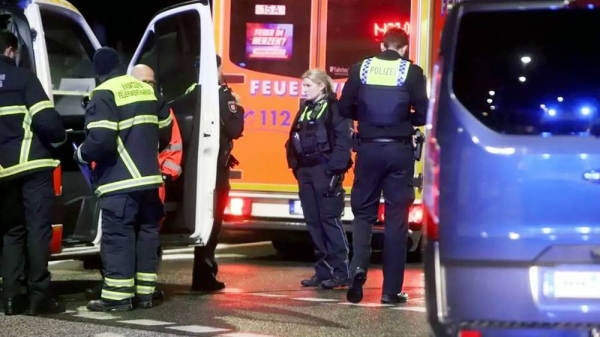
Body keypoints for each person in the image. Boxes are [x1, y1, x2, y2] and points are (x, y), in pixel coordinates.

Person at [74, 47, 172, 312]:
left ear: (98, 71)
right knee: (146, 235)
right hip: (150, 181)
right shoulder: (145, 89)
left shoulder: (104, 94)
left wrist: (80, 153)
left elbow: (101, 141)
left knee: (119, 237)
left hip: (121, 182)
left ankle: (117, 297)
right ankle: (144, 295)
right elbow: (165, 131)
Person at [339, 27, 428, 304]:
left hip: (367, 148)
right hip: (398, 151)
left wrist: (364, 117)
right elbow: (423, 112)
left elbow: (343, 108)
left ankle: (358, 269)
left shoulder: (360, 68)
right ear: (404, 48)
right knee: (396, 220)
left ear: (382, 45)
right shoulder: (411, 72)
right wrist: (406, 121)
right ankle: (391, 291)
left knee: (363, 214)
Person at [0, 30, 66, 315]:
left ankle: (11, 298)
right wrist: (62, 139)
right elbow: (46, 121)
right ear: (11, 51)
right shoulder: (23, 78)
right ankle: (39, 297)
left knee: (11, 233)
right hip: (33, 165)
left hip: (3, 172)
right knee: (37, 230)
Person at [285, 69, 353, 289]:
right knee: (313, 222)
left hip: (325, 171)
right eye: (303, 85)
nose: (303, 90)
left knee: (329, 220)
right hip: (306, 171)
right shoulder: (305, 109)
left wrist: (334, 170)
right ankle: (322, 271)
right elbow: (293, 137)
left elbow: (343, 143)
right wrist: (295, 166)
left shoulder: (335, 109)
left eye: (308, 86)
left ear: (321, 86)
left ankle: (341, 272)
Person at [190, 55, 244, 291]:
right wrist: (238, 107)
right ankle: (204, 276)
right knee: (213, 222)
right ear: (218, 69)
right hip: (215, 171)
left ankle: (201, 275)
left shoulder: (192, 91)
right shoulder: (223, 95)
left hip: (195, 168)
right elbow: (234, 128)